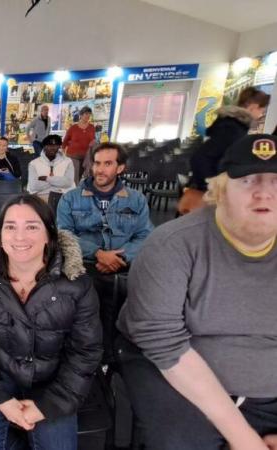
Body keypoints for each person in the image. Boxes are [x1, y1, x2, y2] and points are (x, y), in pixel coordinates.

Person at [116, 134, 277, 449]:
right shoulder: (173, 245)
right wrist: (244, 439)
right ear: (219, 189)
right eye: (247, 180)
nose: (264, 193)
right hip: (175, 374)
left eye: (276, 181)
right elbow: (162, 341)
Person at [0, 194, 102, 450]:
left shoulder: (77, 284)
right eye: (10, 227)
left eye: (32, 227)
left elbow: (86, 352)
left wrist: (49, 405)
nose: (19, 237)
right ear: (0, 235)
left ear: (49, 234)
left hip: (54, 380)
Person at [57, 142, 153, 360]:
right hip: (85, 267)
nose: (100, 169)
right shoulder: (70, 199)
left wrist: (120, 256)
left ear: (120, 168)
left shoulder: (136, 200)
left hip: (123, 268)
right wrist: (99, 254)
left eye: (108, 164)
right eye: (97, 163)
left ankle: (112, 358)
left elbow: (145, 236)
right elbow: (64, 235)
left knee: (121, 322)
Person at [179, 87, 271, 215]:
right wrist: (212, 188)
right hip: (210, 196)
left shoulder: (233, 125)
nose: (261, 114)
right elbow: (200, 158)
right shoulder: (232, 128)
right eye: (262, 110)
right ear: (253, 107)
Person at [27, 134, 75, 214]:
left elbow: (68, 182)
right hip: (41, 198)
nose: (52, 148)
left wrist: (47, 179)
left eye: (56, 145)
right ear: (44, 147)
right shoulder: (34, 163)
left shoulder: (68, 162)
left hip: (63, 197)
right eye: (49, 145)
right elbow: (34, 185)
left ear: (59, 147)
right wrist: (58, 181)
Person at [62, 105, 95, 183]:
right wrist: (63, 154)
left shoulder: (92, 127)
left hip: (86, 157)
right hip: (73, 156)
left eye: (89, 114)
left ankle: (75, 190)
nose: (88, 116)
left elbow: (92, 140)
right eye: (86, 114)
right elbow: (65, 141)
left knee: (80, 176)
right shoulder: (73, 128)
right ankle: (72, 192)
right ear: (81, 115)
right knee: (74, 176)